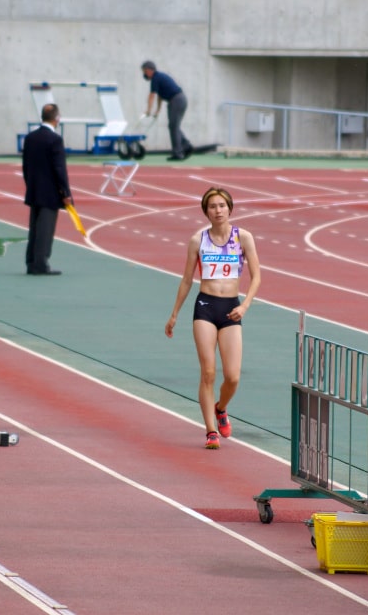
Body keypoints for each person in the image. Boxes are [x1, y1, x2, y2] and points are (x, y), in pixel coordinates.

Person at [164, 187, 261, 449]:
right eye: (212, 206)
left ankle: (221, 408)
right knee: (208, 372)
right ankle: (210, 431)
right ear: (205, 211)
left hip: (231, 307)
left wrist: (245, 306)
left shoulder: (244, 238)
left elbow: (257, 277)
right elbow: (186, 280)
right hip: (205, 306)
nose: (217, 210)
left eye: (221, 205)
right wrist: (174, 315)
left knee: (232, 377)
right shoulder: (198, 240)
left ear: (230, 208)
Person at [22, 103, 73, 276]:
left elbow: (25, 167)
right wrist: (65, 193)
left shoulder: (30, 138)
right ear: (57, 119)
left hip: (34, 189)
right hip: (50, 192)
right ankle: (41, 263)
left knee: (34, 228)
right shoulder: (55, 140)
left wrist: (30, 184)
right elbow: (60, 169)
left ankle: (31, 261)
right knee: (46, 229)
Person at [141, 61, 193, 161]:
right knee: (173, 126)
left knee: (173, 127)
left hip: (176, 100)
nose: (144, 74)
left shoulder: (155, 78)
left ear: (148, 70)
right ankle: (186, 145)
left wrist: (148, 110)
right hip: (179, 100)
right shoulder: (159, 77)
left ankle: (178, 153)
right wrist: (157, 110)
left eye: (144, 71)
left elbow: (152, 96)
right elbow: (160, 96)